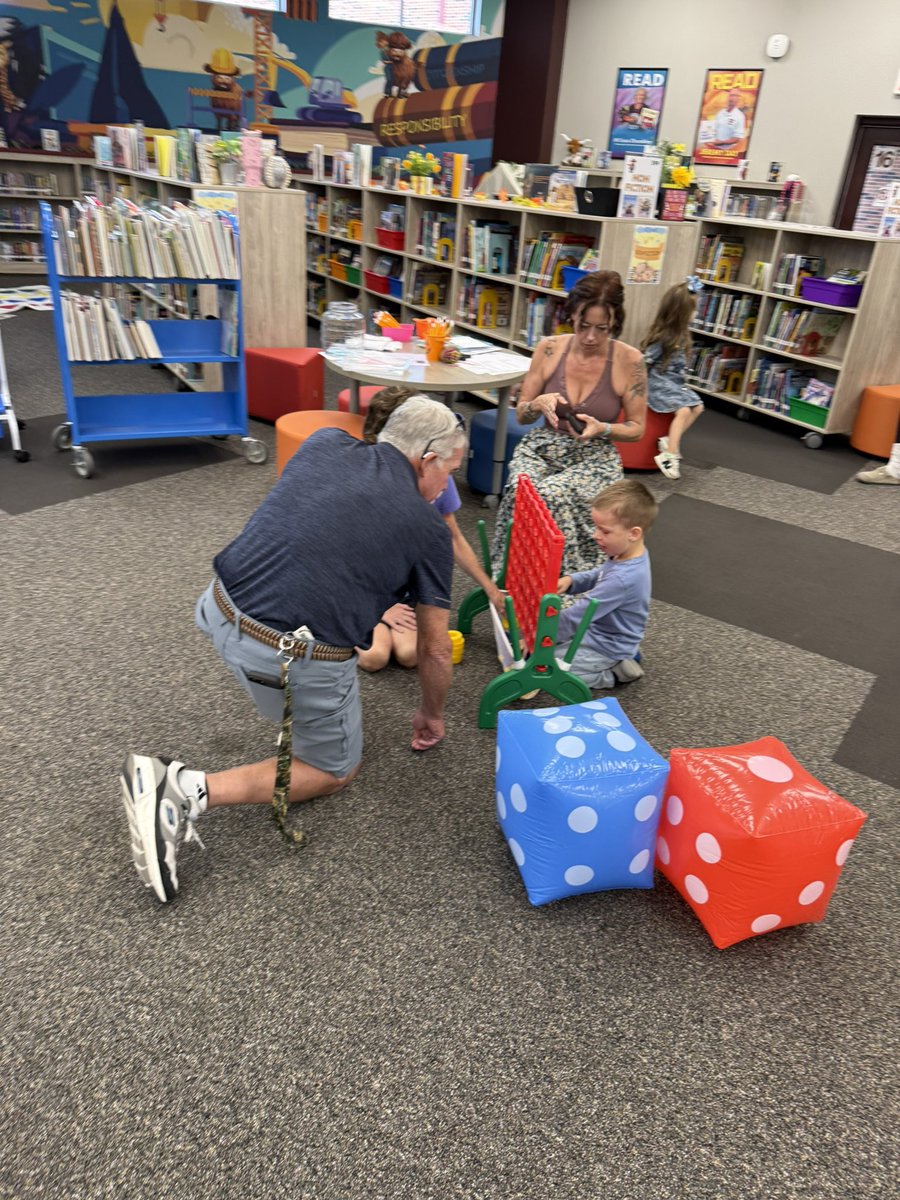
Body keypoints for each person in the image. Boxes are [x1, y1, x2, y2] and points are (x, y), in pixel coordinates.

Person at [119, 397, 467, 904]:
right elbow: (435, 651)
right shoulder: (429, 531)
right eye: (449, 472)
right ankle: (186, 790)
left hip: (216, 608)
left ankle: (275, 706)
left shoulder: (324, 441)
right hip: (280, 655)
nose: (444, 489)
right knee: (334, 770)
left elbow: (315, 529)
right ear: (428, 459)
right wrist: (431, 714)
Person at [489, 270, 648, 576]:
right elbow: (521, 414)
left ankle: (565, 583)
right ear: (571, 315)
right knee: (523, 491)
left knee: (553, 495)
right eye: (583, 325)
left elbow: (637, 428)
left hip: (594, 453)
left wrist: (603, 428)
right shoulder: (549, 348)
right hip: (543, 446)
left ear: (615, 323)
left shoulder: (630, 361)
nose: (590, 337)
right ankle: (512, 575)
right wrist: (536, 404)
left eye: (602, 328)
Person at [355, 386, 504, 672]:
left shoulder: (437, 477)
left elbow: (454, 538)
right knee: (375, 658)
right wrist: (380, 607)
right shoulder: (373, 486)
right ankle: (354, 628)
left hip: (401, 587)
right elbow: (350, 558)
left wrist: (490, 588)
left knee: (410, 654)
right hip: (365, 588)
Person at [555, 480, 657, 689]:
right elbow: (600, 574)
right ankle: (627, 654)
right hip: (602, 632)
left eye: (605, 531)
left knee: (549, 667)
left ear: (633, 533)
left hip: (607, 646)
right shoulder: (627, 554)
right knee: (550, 651)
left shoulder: (623, 578)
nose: (595, 535)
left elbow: (579, 615)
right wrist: (572, 581)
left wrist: (540, 638)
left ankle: (614, 674)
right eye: (596, 528)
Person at [641, 277, 705, 480]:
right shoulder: (665, 336)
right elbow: (645, 362)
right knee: (684, 410)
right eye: (693, 310)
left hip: (672, 384)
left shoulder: (683, 334)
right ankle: (669, 455)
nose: (696, 314)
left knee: (699, 406)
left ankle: (669, 440)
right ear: (681, 313)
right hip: (658, 384)